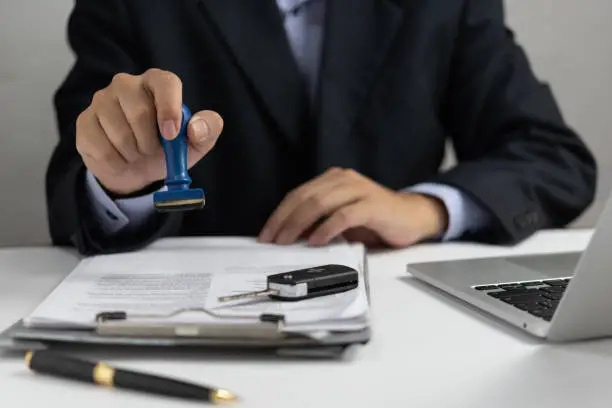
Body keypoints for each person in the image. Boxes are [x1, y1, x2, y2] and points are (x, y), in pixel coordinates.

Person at [46, 0, 597, 255]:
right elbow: (73, 187)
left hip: (407, 333)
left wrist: (427, 209)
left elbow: (552, 156)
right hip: (197, 327)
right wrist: (124, 183)